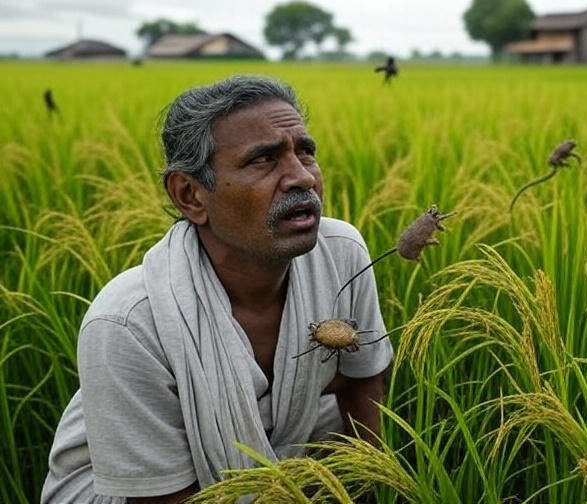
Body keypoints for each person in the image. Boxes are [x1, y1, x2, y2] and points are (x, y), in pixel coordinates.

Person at [41, 75, 393, 503]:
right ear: (189, 195)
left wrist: (373, 489)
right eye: (263, 160)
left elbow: (364, 380)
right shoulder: (128, 323)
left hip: (278, 465)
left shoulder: (341, 255)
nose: (301, 177)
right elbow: (160, 497)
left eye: (306, 152)